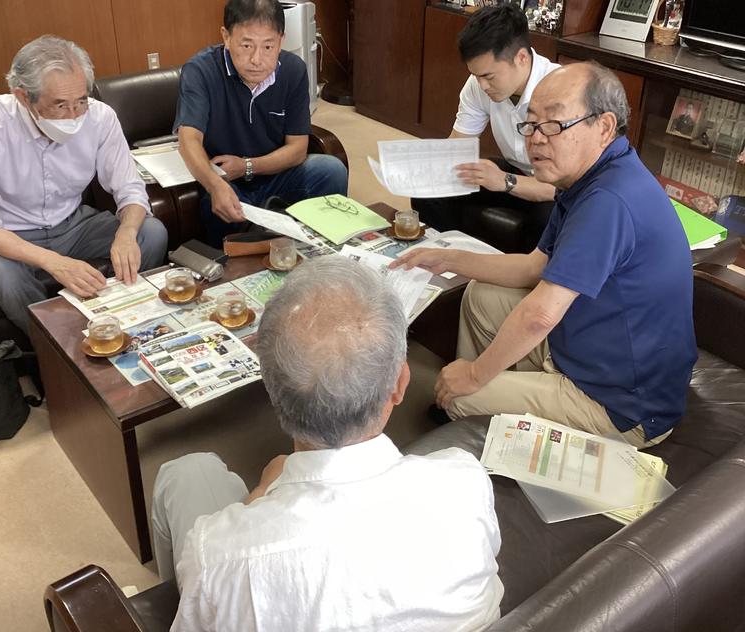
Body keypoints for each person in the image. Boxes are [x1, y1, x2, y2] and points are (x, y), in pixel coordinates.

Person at [151, 257, 503, 632]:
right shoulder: (465, 480)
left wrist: (258, 496)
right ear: (400, 385)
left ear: (271, 389)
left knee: (187, 472)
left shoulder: (217, 554)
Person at [392, 62, 697, 449]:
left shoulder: (608, 200)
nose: (535, 140)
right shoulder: (589, 178)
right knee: (481, 297)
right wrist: (449, 259)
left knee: (466, 394)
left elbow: (540, 315)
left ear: (604, 127)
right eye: (531, 124)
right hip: (590, 348)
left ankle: (466, 401)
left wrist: (474, 377)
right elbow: (534, 267)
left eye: (553, 124)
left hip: (623, 405)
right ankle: (480, 395)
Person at [0, 35, 167, 335]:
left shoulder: (100, 118)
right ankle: (56, 345)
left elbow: (130, 189)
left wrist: (127, 233)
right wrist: (55, 262)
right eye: (60, 106)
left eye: (81, 101)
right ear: (23, 97)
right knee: (3, 275)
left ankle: (127, 321)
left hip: (75, 226)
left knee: (151, 233)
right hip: (13, 234)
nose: (74, 116)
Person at [174, 0, 348, 247]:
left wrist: (246, 166)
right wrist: (214, 184)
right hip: (226, 181)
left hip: (276, 173)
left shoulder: (293, 70)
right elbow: (188, 139)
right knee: (220, 206)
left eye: (268, 46)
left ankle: (321, 252)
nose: (257, 59)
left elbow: (298, 148)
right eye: (246, 45)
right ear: (226, 36)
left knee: (331, 170)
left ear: (281, 40)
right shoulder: (200, 71)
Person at [412, 4, 560, 247]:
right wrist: (425, 169)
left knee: (548, 219)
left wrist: (504, 180)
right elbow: (457, 146)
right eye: (476, 75)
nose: (481, 85)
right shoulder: (478, 85)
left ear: (521, 58)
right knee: (431, 189)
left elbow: (559, 188)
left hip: (555, 188)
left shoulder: (560, 91)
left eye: (488, 77)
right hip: (516, 171)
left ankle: (516, 272)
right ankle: (446, 256)